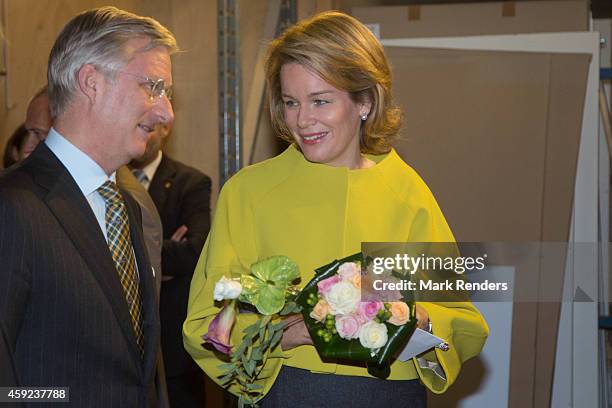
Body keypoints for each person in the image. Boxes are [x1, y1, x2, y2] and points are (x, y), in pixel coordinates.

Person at [184, 11, 488, 407]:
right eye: (291, 102)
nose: (302, 120)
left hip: (388, 394)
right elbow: (204, 325)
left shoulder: (405, 193)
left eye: (320, 101)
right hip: (286, 390)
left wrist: (411, 317)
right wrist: (288, 332)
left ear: (364, 100)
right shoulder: (249, 192)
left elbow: (461, 321)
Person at [0, 7, 177, 407]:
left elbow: (143, 368)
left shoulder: (130, 207)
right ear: (91, 82)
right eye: (153, 86)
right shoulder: (12, 207)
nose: (166, 111)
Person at [130, 123, 211, 408]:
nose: (145, 133)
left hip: (173, 346)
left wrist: (129, 257)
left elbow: (196, 251)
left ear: (165, 129)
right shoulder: (108, 179)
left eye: (150, 126)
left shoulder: (191, 183)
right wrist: (164, 251)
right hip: (124, 342)